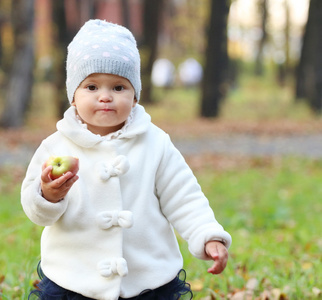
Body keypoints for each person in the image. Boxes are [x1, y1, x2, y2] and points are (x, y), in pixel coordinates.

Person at [21, 19, 232, 300]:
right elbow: (36, 212)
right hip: (74, 279)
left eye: (119, 88)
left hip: (147, 281)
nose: (105, 97)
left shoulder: (155, 143)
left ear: (135, 97)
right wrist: (47, 195)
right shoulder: (56, 146)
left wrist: (208, 235)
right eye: (92, 87)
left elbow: (184, 196)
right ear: (73, 96)